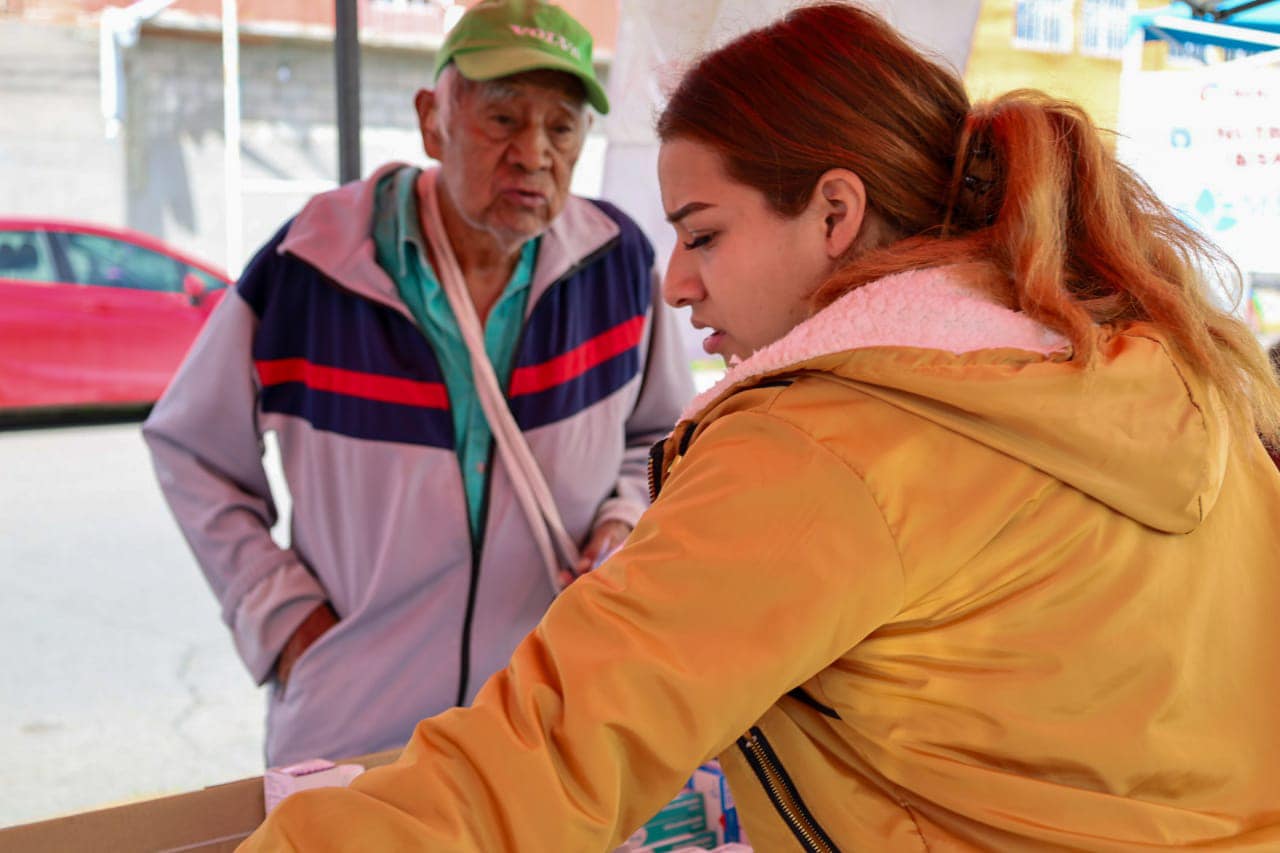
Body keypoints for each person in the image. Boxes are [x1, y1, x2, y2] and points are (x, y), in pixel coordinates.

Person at [242, 3, 1280, 850]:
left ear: (833, 213)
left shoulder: (824, 439)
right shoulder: (1163, 372)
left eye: (702, 233)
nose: (676, 280)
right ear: (433, 121)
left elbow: (549, 756)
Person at [143, 0, 692, 767]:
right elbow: (190, 447)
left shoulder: (618, 266)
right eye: (504, 119)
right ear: (433, 120)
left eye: (561, 127)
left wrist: (622, 520)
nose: (534, 153)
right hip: (353, 721)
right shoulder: (311, 265)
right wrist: (281, 616)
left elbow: (660, 438)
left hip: (546, 711)